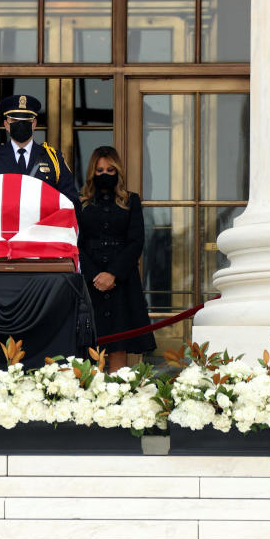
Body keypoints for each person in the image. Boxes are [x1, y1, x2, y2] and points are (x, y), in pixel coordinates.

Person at [77, 146, 155, 371]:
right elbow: (75, 242)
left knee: (119, 345)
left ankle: (118, 398)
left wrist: (113, 273)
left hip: (122, 281)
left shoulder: (131, 201)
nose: (104, 174)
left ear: (118, 171)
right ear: (92, 172)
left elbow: (136, 241)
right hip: (89, 283)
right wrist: (94, 275)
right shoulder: (80, 203)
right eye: (99, 170)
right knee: (90, 346)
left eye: (110, 170)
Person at [0, 94, 80, 208]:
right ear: (6, 125)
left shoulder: (53, 159)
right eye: (14, 120)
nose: (21, 124)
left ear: (34, 124)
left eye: (26, 120)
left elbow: (71, 202)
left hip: (42, 225)